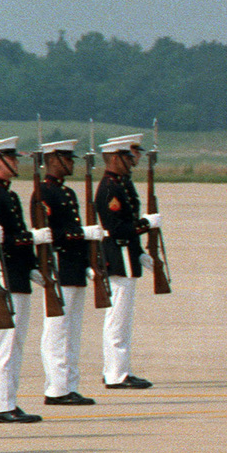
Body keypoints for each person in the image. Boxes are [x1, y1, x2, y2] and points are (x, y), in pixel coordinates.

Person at [37, 139, 105, 407]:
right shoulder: (44, 193)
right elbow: (50, 235)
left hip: (75, 268)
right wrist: (82, 233)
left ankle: (68, 385)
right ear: (54, 160)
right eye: (68, 158)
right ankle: (55, 388)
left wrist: (88, 259)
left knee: (72, 331)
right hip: (60, 267)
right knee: (57, 331)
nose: (72, 163)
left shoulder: (66, 193)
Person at [0, 137, 45, 424]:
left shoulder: (7, 195)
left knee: (15, 343)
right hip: (2, 277)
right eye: (12, 158)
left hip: (17, 275)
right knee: (3, 343)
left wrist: (34, 265)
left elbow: (16, 236)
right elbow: (1, 239)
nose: (17, 163)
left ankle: (8, 400)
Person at [95, 133, 157, 390]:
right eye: (130, 154)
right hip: (117, 255)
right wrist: (145, 224)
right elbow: (117, 227)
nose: (135, 158)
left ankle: (119, 368)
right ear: (114, 158)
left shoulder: (122, 184)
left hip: (127, 255)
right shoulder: (110, 188)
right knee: (117, 318)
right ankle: (115, 374)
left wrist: (140, 252)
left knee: (123, 318)